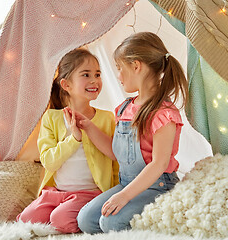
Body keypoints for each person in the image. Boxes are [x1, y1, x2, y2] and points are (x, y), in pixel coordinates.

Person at [77, 32, 188, 233]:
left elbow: (159, 163)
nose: (118, 76)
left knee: (110, 223)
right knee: (86, 220)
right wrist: (88, 127)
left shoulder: (163, 113)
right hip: (127, 184)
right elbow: (115, 152)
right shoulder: (125, 108)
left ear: (136, 66)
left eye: (119, 68)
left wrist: (125, 196)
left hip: (158, 186)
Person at [16, 48, 119, 233]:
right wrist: (73, 139)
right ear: (66, 85)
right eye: (86, 75)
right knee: (26, 220)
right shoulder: (51, 118)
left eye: (97, 74)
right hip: (55, 193)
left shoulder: (107, 118)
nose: (94, 80)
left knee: (60, 220)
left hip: (89, 193)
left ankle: (69, 214)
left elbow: (115, 160)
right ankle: (61, 211)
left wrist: (112, 193)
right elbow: (49, 161)